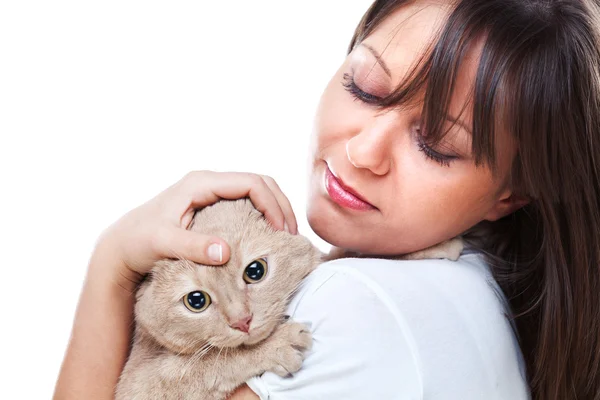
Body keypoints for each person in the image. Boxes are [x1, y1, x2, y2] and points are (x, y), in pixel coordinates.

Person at [53, 0, 600, 399]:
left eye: (435, 144)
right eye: (364, 87)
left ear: (511, 195)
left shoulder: (353, 303)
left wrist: (112, 264)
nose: (363, 152)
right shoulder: (474, 282)